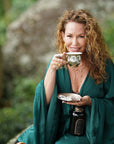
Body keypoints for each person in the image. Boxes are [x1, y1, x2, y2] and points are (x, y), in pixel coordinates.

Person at [15, 9, 114, 144]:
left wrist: (90, 102)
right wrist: (51, 69)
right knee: (25, 141)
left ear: (90, 36)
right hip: (57, 127)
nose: (74, 43)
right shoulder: (57, 63)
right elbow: (45, 101)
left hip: (92, 132)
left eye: (81, 36)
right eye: (69, 36)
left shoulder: (105, 65)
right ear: (62, 36)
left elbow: (112, 104)